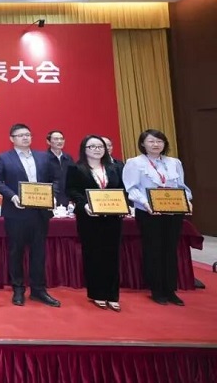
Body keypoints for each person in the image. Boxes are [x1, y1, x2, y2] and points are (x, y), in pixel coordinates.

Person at [0, 123, 61, 307]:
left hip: (40, 212)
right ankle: (18, 289)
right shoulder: (4, 158)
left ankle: (38, 290)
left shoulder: (44, 157)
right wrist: (12, 196)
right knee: (16, 252)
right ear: (12, 139)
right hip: (16, 212)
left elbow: (55, 179)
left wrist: (52, 195)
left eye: (28, 134)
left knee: (39, 252)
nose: (25, 138)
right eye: (20, 135)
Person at [123, 129, 193, 306]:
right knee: (153, 249)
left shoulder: (174, 162)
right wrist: (145, 203)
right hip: (148, 212)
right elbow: (132, 188)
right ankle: (157, 289)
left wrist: (187, 200)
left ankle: (170, 289)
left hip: (173, 211)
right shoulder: (134, 163)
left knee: (171, 249)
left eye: (159, 141)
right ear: (143, 144)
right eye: (151, 141)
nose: (156, 144)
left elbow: (181, 186)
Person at [65, 135, 125, 312]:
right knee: (93, 254)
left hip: (113, 217)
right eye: (92, 146)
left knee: (112, 255)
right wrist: (84, 205)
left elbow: (122, 189)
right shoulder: (76, 168)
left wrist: (123, 205)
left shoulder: (115, 168)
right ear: (84, 150)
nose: (97, 149)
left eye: (100, 146)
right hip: (89, 217)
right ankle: (97, 293)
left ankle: (113, 295)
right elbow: (71, 190)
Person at [46, 130, 74, 206]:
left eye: (61, 139)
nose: (59, 141)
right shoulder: (44, 159)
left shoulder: (68, 158)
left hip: (67, 199)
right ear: (48, 142)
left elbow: (73, 179)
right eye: (56, 139)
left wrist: (72, 198)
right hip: (50, 198)